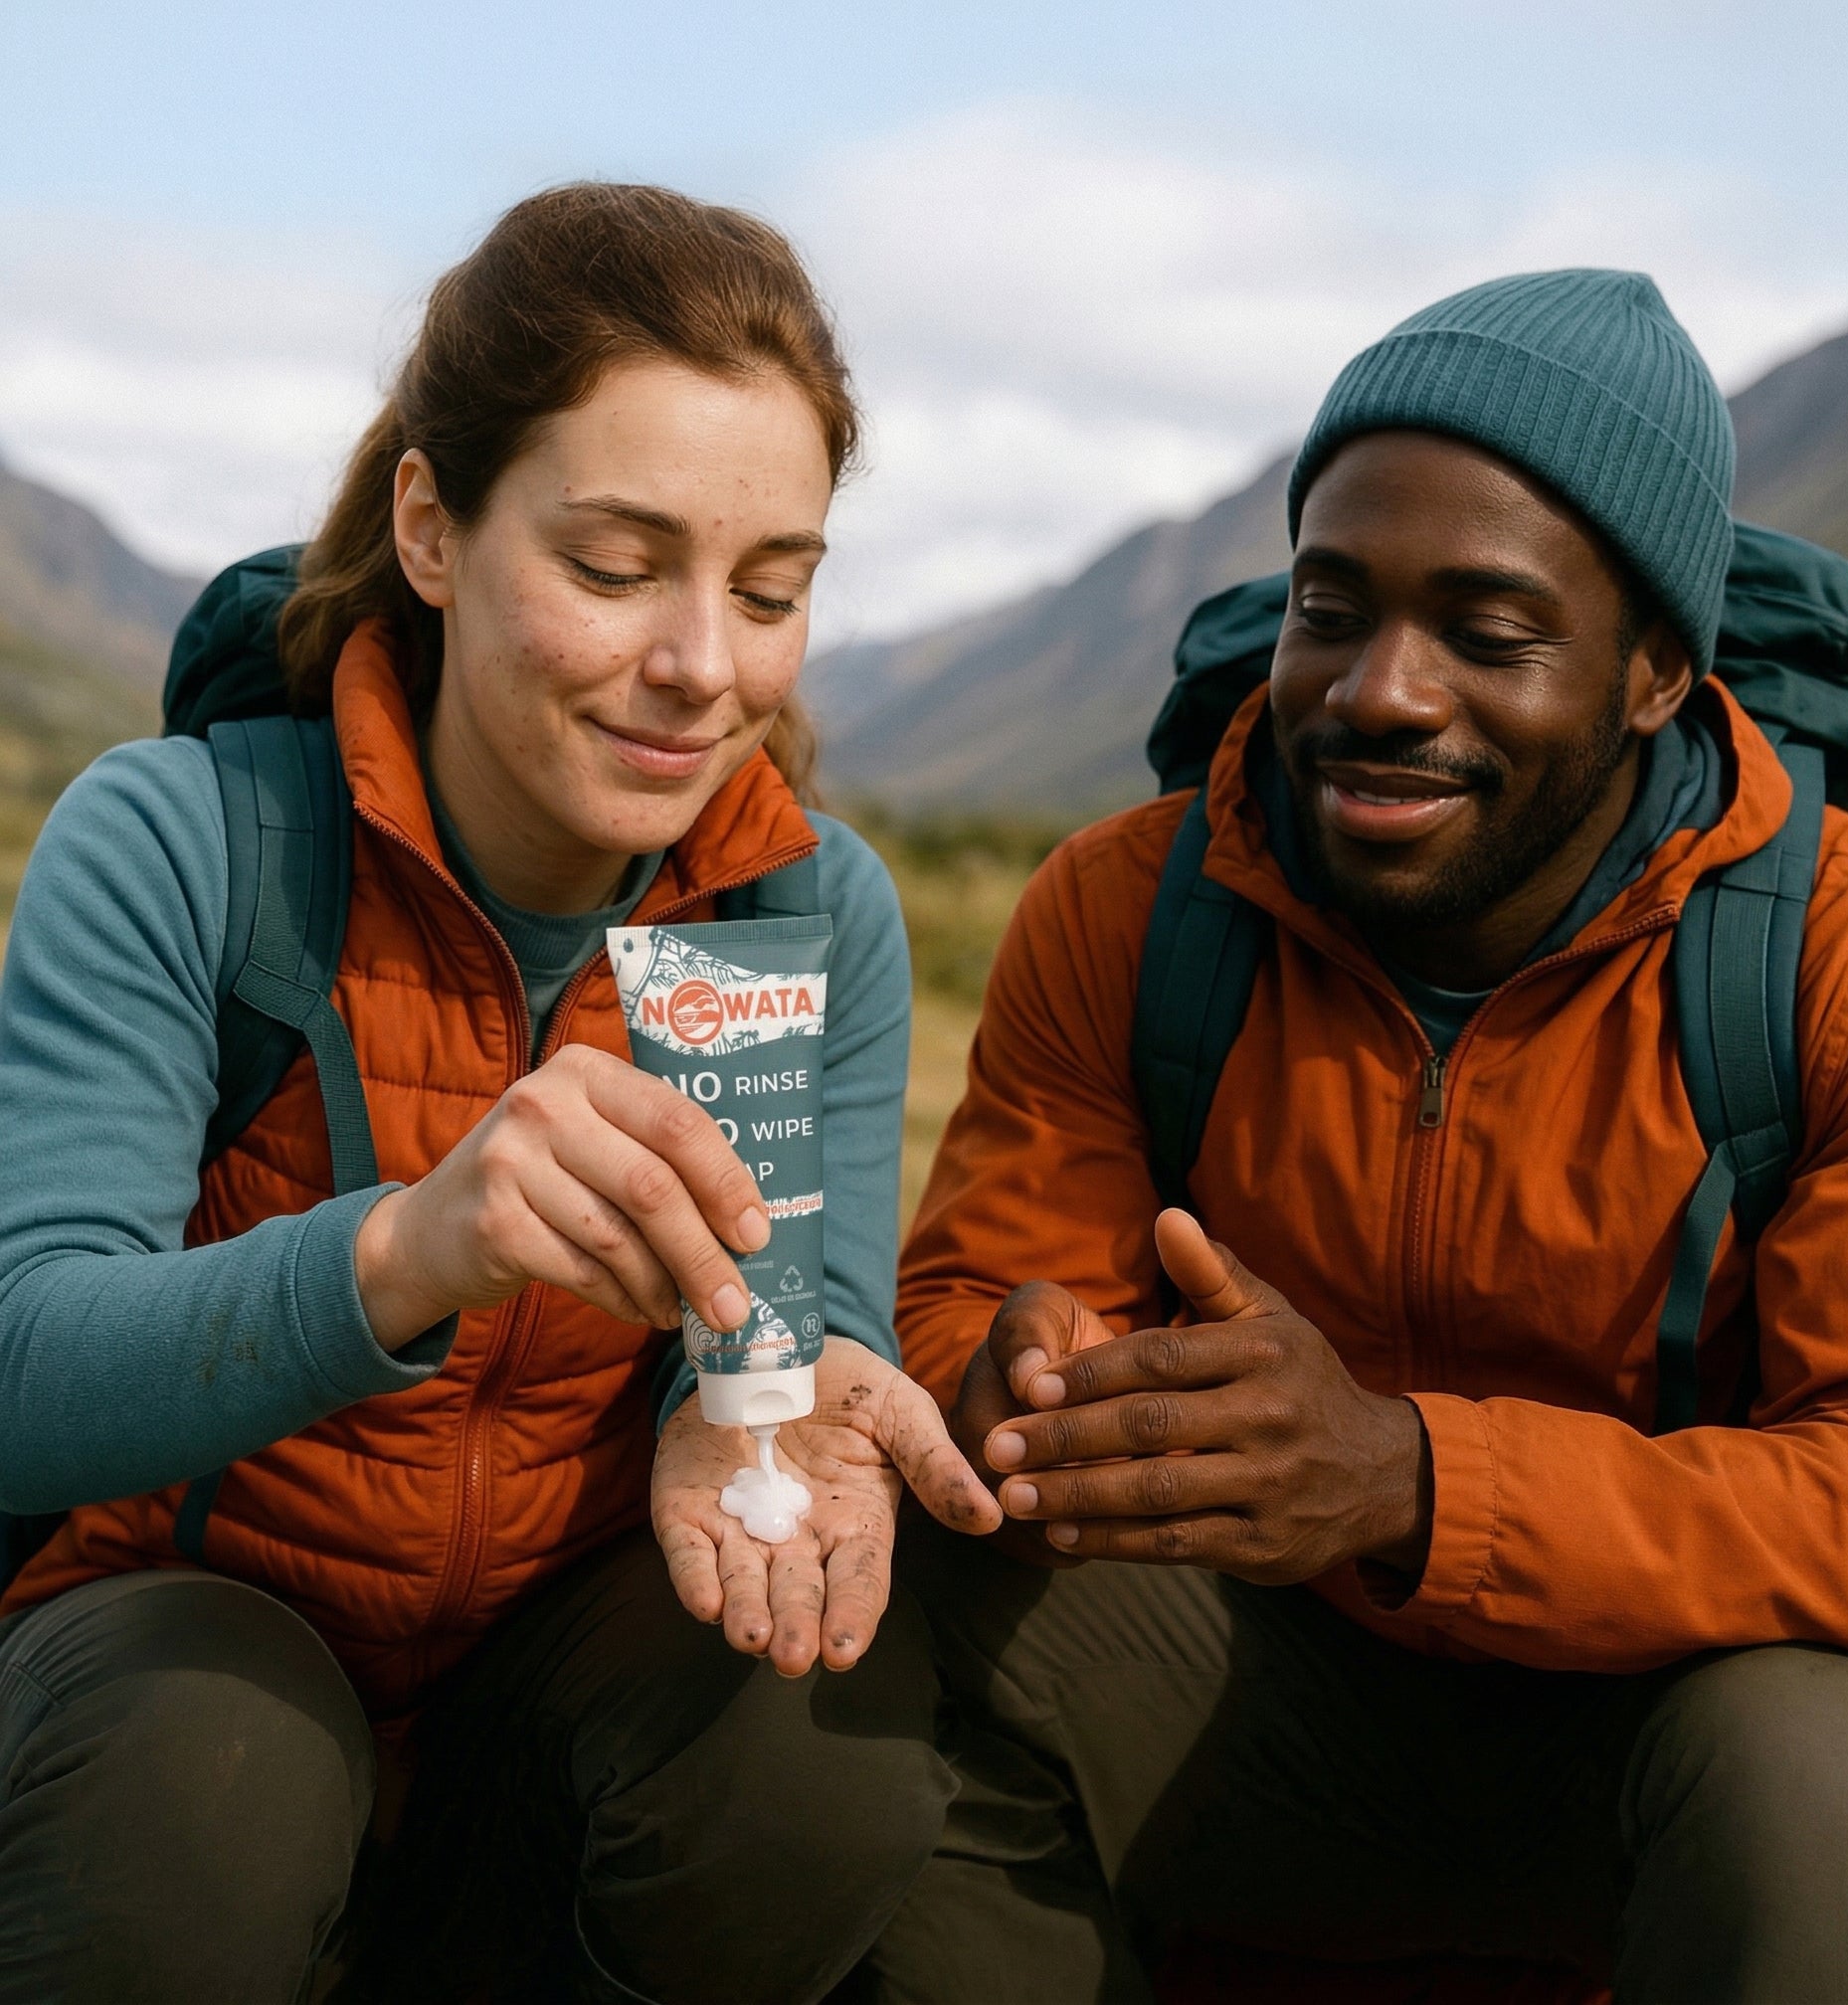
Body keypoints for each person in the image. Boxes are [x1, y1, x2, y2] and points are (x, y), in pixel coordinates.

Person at [877, 271, 1848, 2003]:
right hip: (1256, 1711)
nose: (1380, 692)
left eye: (1489, 633)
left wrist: (1411, 1481)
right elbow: (968, 1299)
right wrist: (1013, 1374)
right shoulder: (1129, 911)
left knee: (1831, 1776)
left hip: (1669, 1742)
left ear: (1657, 671)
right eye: (1329, 609)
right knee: (896, 1604)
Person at [0, 183, 998, 2004]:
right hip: (170, 1666)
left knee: (817, 1748)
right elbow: (22, 1371)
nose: (704, 666)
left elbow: (804, 1324)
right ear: (431, 529)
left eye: (770, 590)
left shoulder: (806, 911)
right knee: (210, 1782)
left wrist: (769, 1402)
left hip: (553, 1674)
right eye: (615, 569)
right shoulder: (191, 847)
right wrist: (403, 1252)